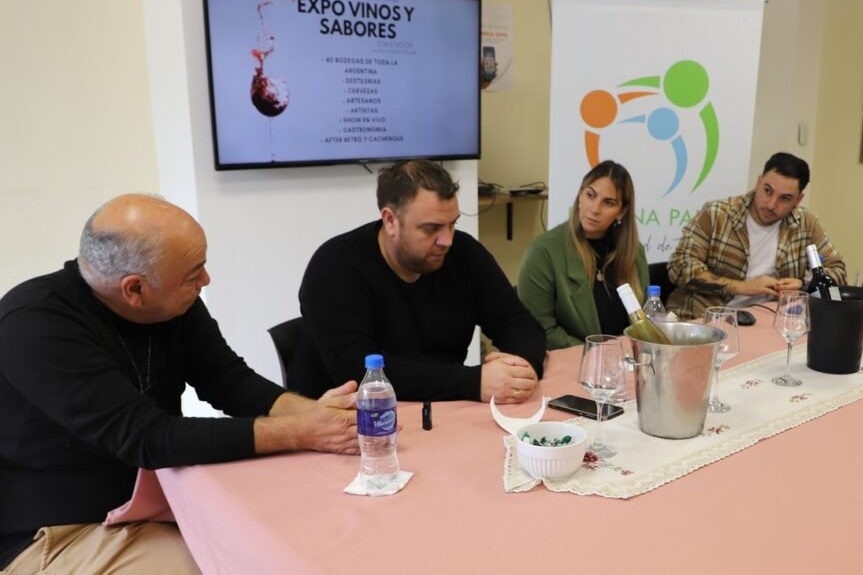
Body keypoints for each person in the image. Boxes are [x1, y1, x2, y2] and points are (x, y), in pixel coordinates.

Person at [0, 195, 360, 574]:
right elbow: (149, 439)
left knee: (301, 533)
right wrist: (301, 432)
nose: (206, 281)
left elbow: (227, 380)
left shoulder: (169, 298)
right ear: (134, 290)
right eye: (195, 273)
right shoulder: (36, 325)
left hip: (158, 497)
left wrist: (322, 415)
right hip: (59, 528)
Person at [291, 159, 546, 404]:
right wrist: (473, 382)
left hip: (442, 410)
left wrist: (520, 370)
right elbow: (357, 373)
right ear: (390, 220)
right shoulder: (335, 266)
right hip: (349, 424)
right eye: (431, 228)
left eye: (452, 224)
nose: (446, 240)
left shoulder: (463, 252)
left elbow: (518, 324)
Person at [666, 152, 846, 320]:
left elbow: (837, 270)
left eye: (784, 198)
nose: (771, 204)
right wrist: (742, 287)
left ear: (798, 200)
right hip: (706, 318)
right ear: (758, 182)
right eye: (767, 190)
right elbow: (679, 266)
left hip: (770, 320)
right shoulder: (717, 214)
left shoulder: (806, 223)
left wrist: (803, 284)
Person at [517, 161, 649, 349]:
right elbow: (538, 329)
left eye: (608, 203)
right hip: (570, 364)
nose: (594, 209)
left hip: (625, 363)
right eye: (590, 195)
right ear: (580, 195)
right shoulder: (543, 252)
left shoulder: (634, 252)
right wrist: (599, 354)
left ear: (622, 212)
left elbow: (641, 321)